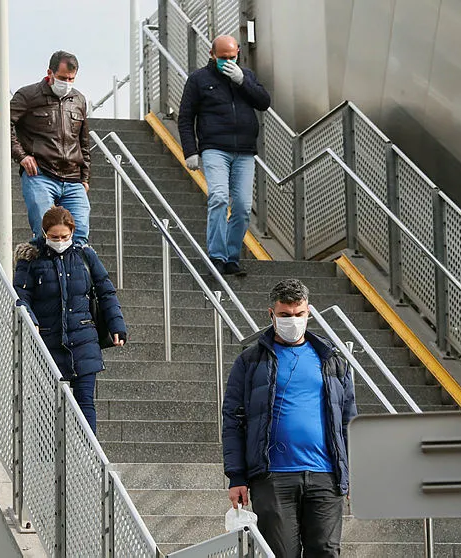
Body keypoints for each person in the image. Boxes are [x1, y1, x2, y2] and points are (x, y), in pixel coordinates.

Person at [221, 279, 357, 557]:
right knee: (280, 553)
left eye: (299, 314)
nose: (292, 321)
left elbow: (349, 420)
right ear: (271, 314)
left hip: (325, 476)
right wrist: (236, 476)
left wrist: (354, 472)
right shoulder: (249, 362)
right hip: (272, 477)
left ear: (309, 312)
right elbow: (233, 420)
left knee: (327, 551)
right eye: (284, 315)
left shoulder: (332, 360)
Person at [14, 206, 127, 433]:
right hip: (47, 339)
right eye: (53, 237)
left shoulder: (85, 255)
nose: (59, 241)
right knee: (46, 404)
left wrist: (117, 325)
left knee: (85, 401)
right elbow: (21, 295)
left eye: (64, 236)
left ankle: (89, 459)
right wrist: (29, 317)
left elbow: (106, 291)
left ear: (72, 232)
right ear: (44, 234)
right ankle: (48, 459)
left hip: (83, 337)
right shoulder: (31, 258)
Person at [178, 35, 271, 277]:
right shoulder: (199, 79)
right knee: (219, 197)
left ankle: (232, 256)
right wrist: (190, 151)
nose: (228, 61)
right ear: (212, 54)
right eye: (223, 58)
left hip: (244, 151)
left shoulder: (246, 76)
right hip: (214, 148)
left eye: (232, 57)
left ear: (238, 53)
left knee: (241, 206)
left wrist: (242, 82)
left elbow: (264, 102)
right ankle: (217, 256)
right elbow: (186, 117)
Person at [9, 50, 92, 244]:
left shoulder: (79, 100)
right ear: (50, 73)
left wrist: (85, 178)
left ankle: (76, 274)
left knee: (79, 236)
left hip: (73, 178)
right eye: (63, 78)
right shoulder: (28, 95)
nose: (67, 83)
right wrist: (21, 156)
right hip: (40, 174)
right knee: (45, 234)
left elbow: (83, 142)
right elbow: (2, 123)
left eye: (72, 79)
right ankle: (42, 272)